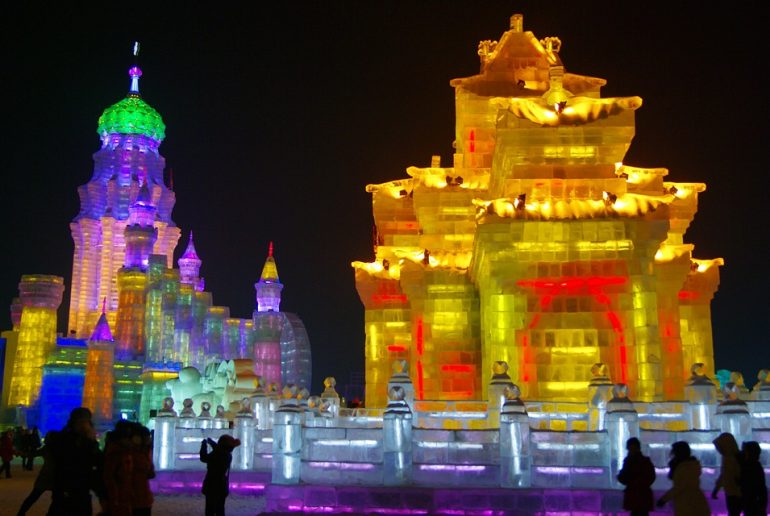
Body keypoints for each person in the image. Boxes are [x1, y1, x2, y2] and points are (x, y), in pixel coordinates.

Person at [47, 407, 104, 516]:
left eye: (86, 422)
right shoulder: (64, 440)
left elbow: (97, 463)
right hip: (65, 491)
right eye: (81, 422)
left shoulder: (87, 442)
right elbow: (65, 462)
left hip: (81, 492)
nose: (84, 425)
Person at [656, 441, 710, 515]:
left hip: (687, 505)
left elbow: (679, 487)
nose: (672, 454)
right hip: (694, 503)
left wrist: (664, 499)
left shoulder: (684, 467)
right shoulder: (691, 465)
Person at [200, 434, 240, 516]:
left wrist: (204, 446)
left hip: (211, 484)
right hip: (222, 485)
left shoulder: (217, 454)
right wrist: (212, 443)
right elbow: (219, 449)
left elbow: (203, 458)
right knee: (220, 509)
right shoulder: (227, 455)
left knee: (210, 509)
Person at [17, 431, 55, 515]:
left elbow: (33, 454)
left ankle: (21, 513)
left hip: (45, 477)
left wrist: (22, 453)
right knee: (57, 499)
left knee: (33, 497)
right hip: (56, 477)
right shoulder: (60, 449)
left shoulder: (46, 448)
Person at [103, 420, 136, 516]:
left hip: (124, 495)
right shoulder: (116, 452)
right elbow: (109, 476)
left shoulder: (125, 450)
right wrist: (115, 497)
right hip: (119, 496)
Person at [617, 437, 656, 516]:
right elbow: (651, 477)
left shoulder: (629, 461)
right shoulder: (646, 461)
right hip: (644, 496)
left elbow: (623, 477)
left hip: (633, 496)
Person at [713, 432, 742, 516]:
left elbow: (724, 475)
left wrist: (716, 489)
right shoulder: (735, 457)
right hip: (734, 492)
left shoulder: (729, 458)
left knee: (733, 512)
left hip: (733, 492)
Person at [130, 424, 155, 516]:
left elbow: (150, 473)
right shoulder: (132, 453)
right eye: (147, 437)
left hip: (143, 496)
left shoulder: (144, 452)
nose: (149, 440)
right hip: (134, 496)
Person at [740, 441, 768, 516]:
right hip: (757, 501)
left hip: (752, 502)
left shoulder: (750, 466)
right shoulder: (756, 465)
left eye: (744, 450)